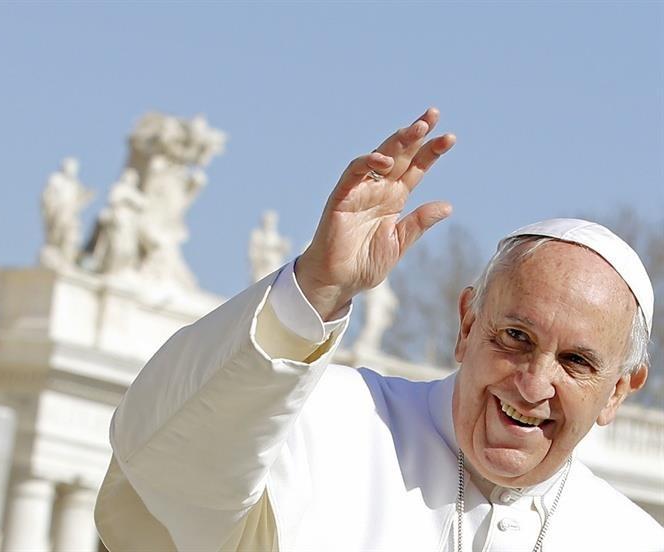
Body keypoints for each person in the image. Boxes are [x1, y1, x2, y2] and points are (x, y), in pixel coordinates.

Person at [94, 108, 663, 551]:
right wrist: (314, 289)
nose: (533, 385)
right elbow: (167, 472)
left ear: (618, 391)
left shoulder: (635, 541)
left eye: (577, 362)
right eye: (516, 337)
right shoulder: (326, 422)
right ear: (466, 324)